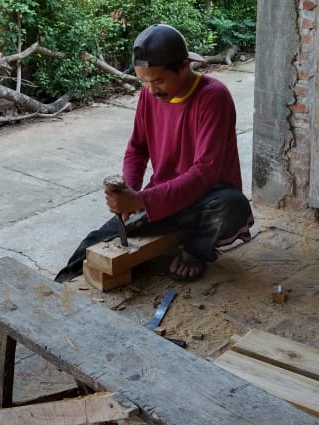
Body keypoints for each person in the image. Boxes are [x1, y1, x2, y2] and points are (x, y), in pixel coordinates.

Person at [55, 24, 253, 283]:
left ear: (184, 66)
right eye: (144, 81)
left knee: (233, 205)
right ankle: (57, 286)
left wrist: (142, 201)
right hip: (164, 197)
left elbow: (205, 172)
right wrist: (129, 192)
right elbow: (136, 149)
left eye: (158, 80)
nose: (151, 90)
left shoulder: (213, 97)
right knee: (97, 240)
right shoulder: (149, 96)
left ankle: (196, 250)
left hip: (207, 199)